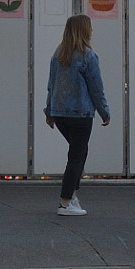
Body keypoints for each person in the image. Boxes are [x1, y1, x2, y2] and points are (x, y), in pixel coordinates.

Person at [43, 14, 109, 215]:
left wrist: (49, 111)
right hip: (81, 114)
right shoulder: (88, 55)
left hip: (60, 113)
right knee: (76, 156)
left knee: (79, 152)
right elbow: (96, 88)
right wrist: (104, 111)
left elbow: (51, 85)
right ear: (85, 31)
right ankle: (65, 202)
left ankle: (72, 196)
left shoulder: (58, 54)